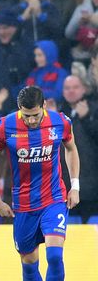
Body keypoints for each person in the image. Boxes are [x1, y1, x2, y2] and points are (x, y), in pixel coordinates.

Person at [0, 86, 81, 281]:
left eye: (35, 115)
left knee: (54, 256)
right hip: (23, 205)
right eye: (26, 115)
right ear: (19, 107)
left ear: (44, 105)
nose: (30, 120)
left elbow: (71, 149)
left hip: (54, 198)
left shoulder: (60, 122)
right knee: (29, 264)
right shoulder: (4, 126)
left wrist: (75, 186)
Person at [60, 76, 98, 222]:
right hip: (66, 185)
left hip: (93, 185)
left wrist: (88, 117)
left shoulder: (94, 109)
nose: (71, 91)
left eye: (75, 87)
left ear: (84, 89)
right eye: (67, 88)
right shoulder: (58, 113)